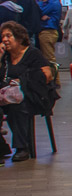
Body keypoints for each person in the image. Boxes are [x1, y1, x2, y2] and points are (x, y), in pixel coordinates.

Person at [0, 21, 53, 162]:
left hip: (32, 95)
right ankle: (2, 147)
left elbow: (47, 75)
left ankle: (22, 147)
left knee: (16, 107)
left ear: (19, 37)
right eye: (3, 36)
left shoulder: (32, 53)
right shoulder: (5, 56)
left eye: (8, 36)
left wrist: (22, 80)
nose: (5, 39)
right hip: (8, 95)